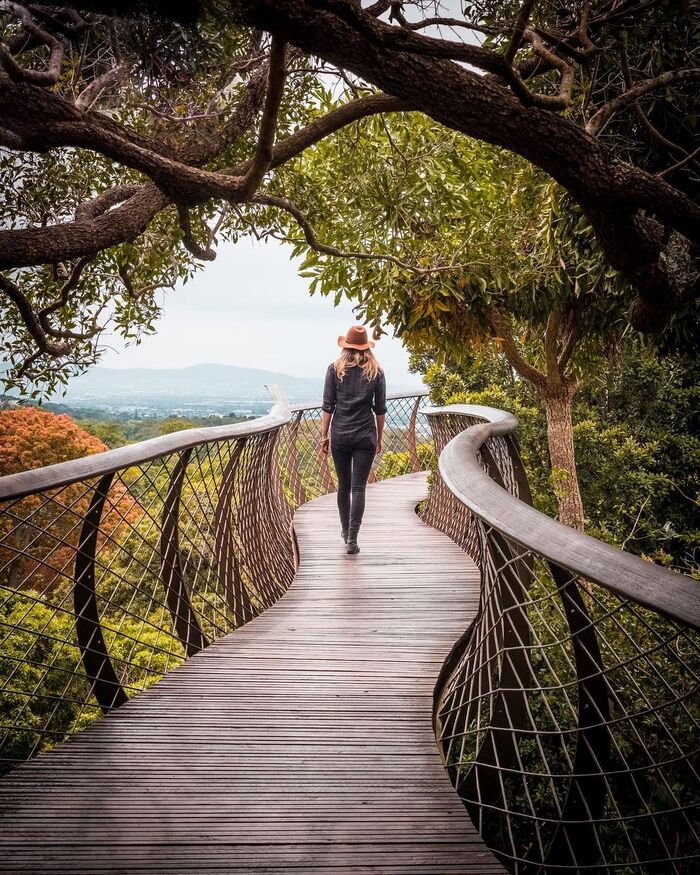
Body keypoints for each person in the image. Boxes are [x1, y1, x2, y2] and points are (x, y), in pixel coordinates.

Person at [319, 324, 386, 555]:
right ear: (366, 347)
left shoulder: (334, 370)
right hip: (365, 434)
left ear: (346, 346)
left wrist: (324, 435)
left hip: (340, 434)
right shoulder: (376, 372)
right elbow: (380, 409)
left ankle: (345, 532)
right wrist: (379, 437)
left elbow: (328, 406)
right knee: (359, 488)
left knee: (343, 486)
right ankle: (353, 539)